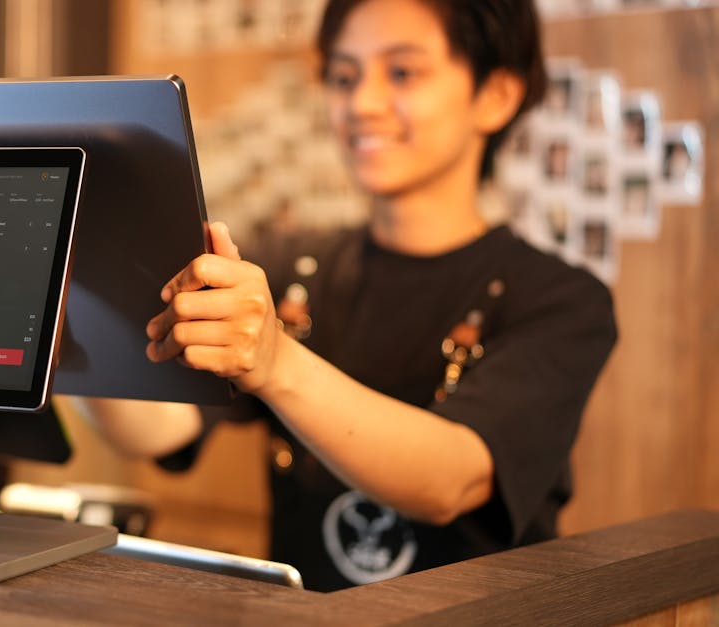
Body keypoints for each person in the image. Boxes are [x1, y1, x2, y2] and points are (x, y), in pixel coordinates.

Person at [83, 0, 617, 592]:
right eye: (344, 76)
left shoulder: (561, 302)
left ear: (496, 94)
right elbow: (162, 426)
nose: (361, 104)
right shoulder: (293, 268)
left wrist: (276, 359)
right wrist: (73, 322)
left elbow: (449, 481)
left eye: (402, 73)